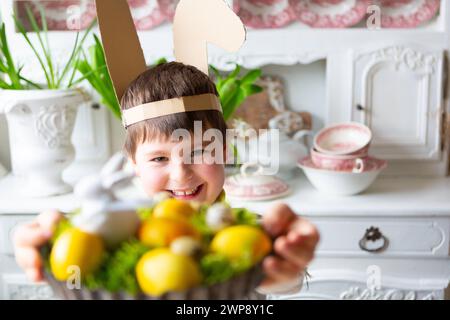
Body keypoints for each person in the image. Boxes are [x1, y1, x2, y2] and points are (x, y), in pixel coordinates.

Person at [13, 62, 319, 295]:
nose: (181, 173)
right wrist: (50, 249)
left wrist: (285, 272)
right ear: (133, 164)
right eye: (159, 158)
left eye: (200, 151)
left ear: (225, 151)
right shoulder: (116, 235)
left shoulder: (248, 229)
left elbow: (284, 283)